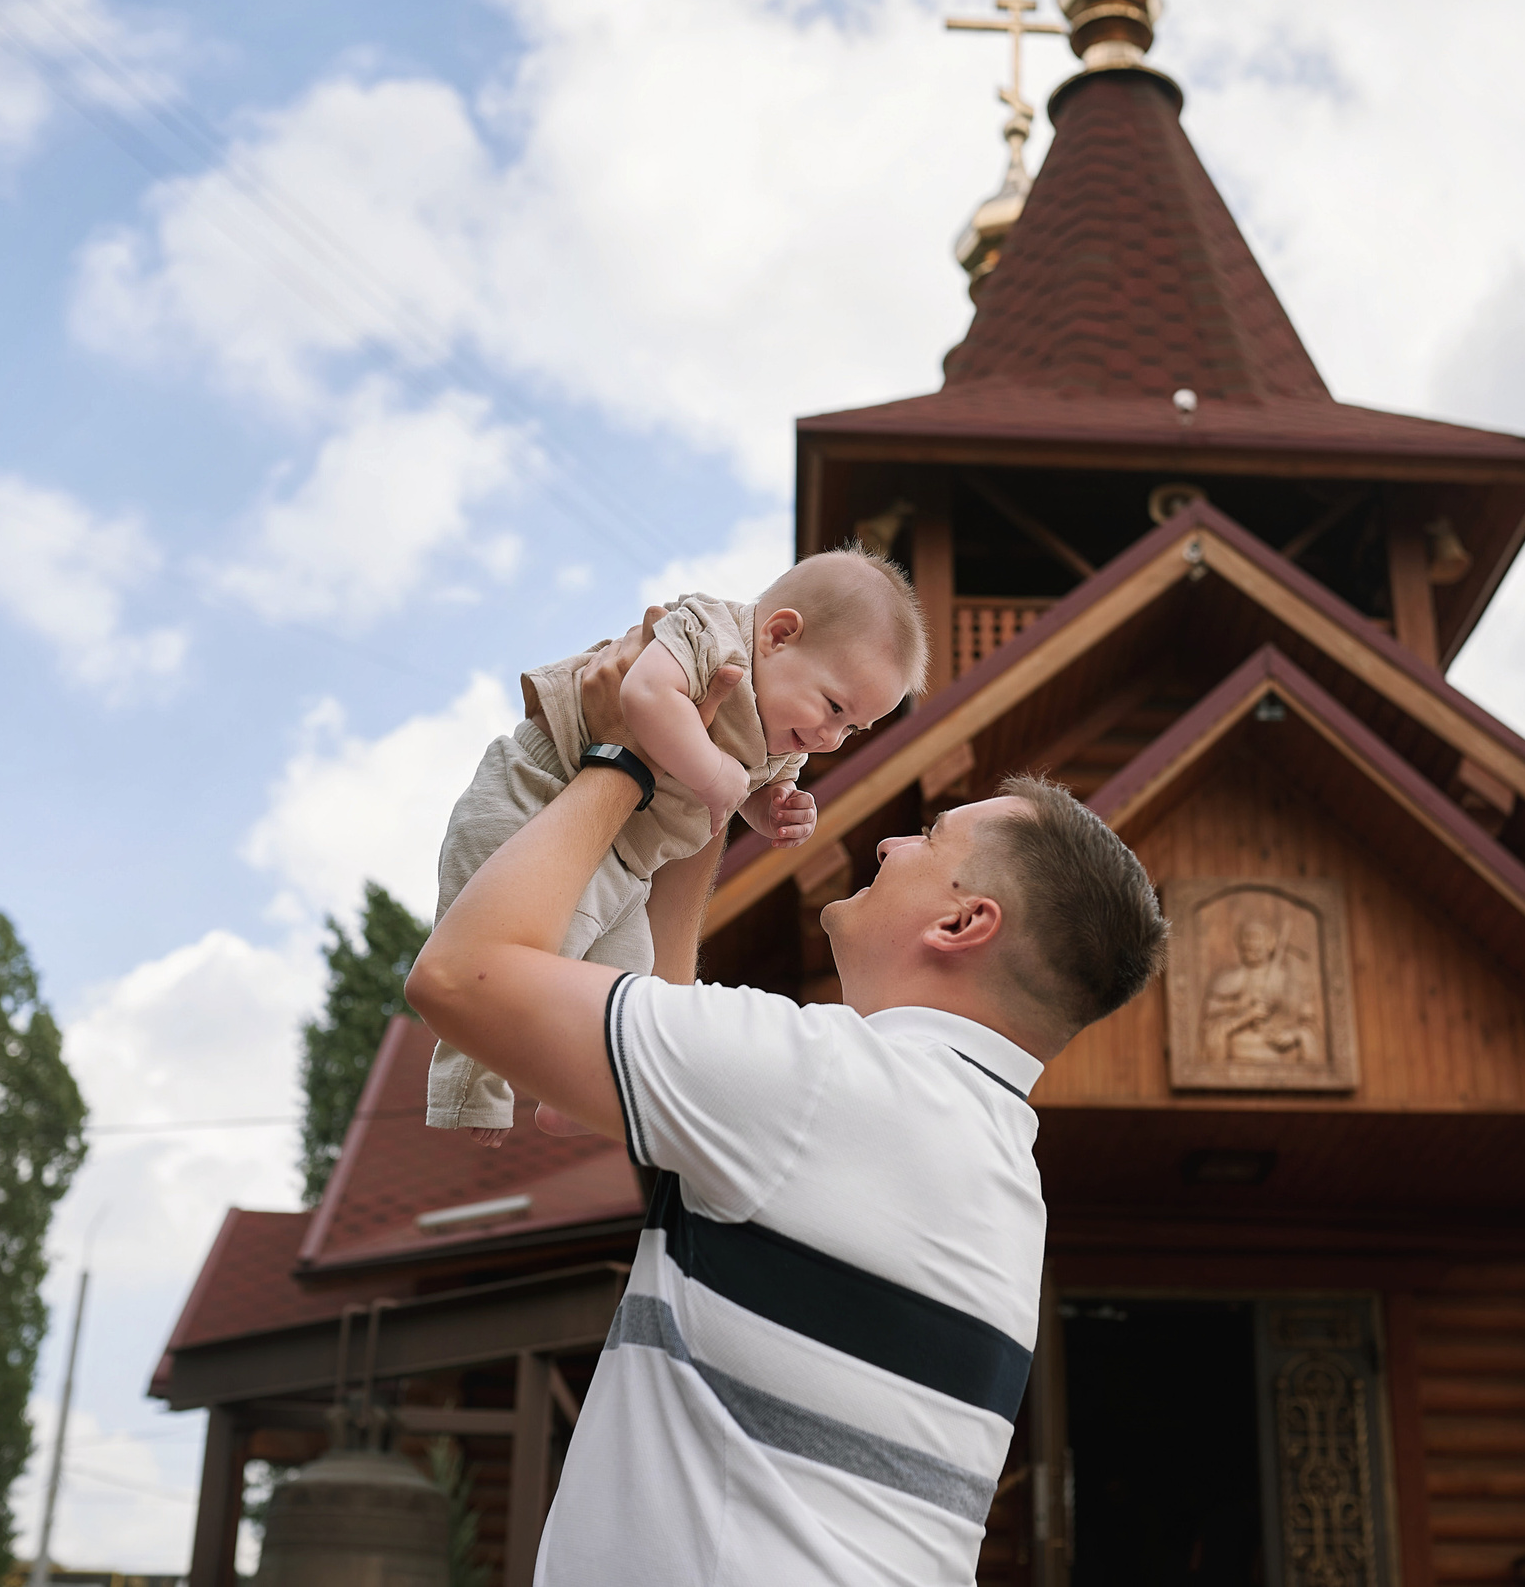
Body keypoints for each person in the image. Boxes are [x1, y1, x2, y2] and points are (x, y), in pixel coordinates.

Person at [406, 615, 1168, 1586]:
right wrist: (702, 777)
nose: (891, 840)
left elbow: (462, 977)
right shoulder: (986, 1163)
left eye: (930, 838)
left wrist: (621, 759)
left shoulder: (824, 1086)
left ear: (963, 919)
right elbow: (672, 1044)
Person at [426, 546, 929, 1145]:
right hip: (537, 791)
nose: (829, 737)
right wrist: (716, 775)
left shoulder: (785, 728)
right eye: (834, 707)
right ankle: (470, 1096)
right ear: (779, 634)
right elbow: (642, 693)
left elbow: (753, 789)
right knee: (507, 959)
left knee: (630, 990)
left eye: (851, 729)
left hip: (624, 854)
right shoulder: (712, 636)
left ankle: (588, 1093)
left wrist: (774, 809)